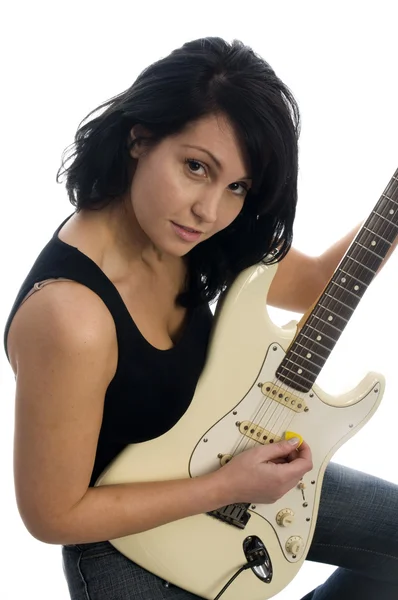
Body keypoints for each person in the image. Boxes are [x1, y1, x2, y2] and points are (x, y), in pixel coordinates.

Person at [3, 37, 398, 600]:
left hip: (227, 465)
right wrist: (225, 487)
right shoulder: (71, 317)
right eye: (196, 167)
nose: (209, 210)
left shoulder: (187, 232)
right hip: (122, 540)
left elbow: (315, 284)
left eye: (237, 186)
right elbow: (53, 515)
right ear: (140, 138)